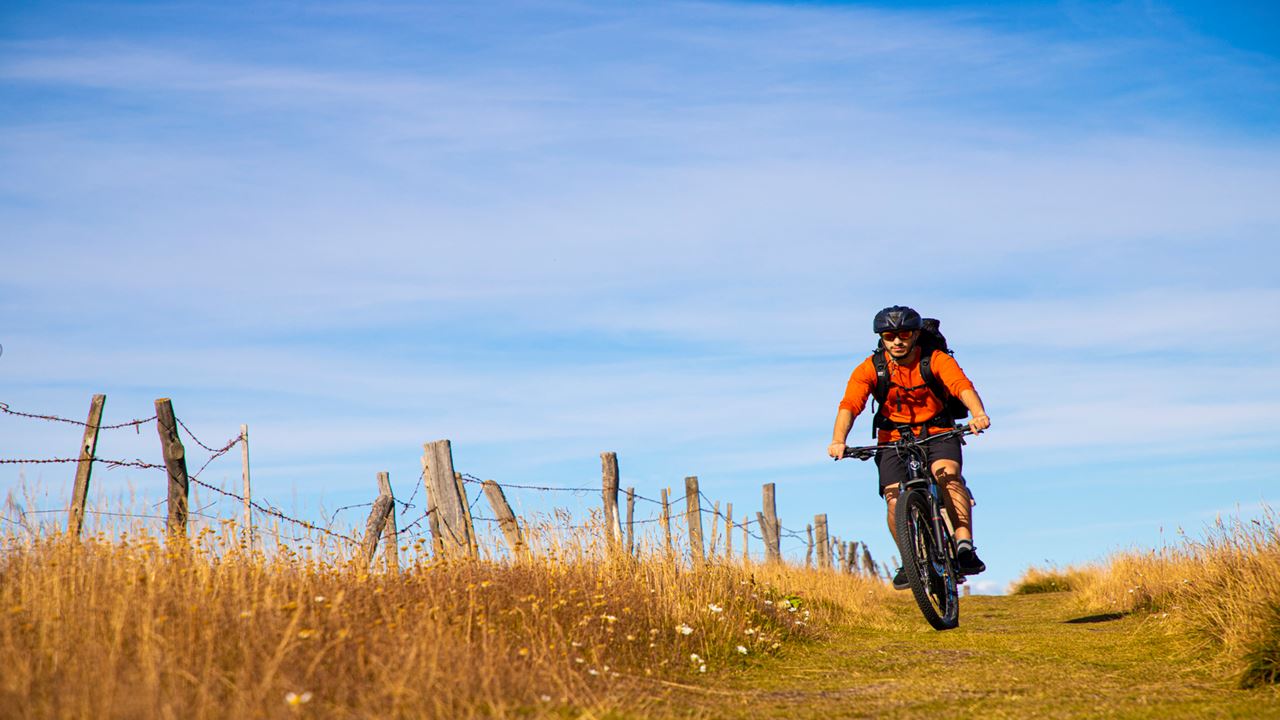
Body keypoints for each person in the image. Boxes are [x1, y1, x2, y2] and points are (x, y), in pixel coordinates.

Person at [827, 305, 991, 589]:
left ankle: (964, 546)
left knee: (947, 475)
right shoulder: (871, 368)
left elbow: (960, 385)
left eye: (903, 334)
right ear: (882, 338)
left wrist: (978, 414)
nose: (897, 341)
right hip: (893, 438)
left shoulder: (935, 359)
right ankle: (910, 559)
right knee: (893, 497)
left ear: (915, 335)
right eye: (889, 335)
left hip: (938, 431)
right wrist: (838, 440)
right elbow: (850, 405)